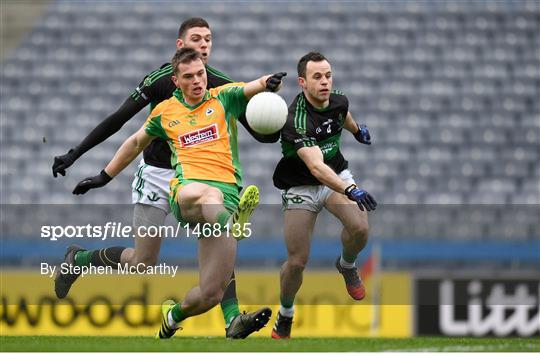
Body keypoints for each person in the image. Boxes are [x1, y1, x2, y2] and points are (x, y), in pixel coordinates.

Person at [52, 17, 278, 339]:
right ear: (180, 46)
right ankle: (80, 258)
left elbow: (255, 117)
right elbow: (121, 124)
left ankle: (230, 319)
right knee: (142, 263)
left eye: (208, 40)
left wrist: (274, 126)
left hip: (207, 179)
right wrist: (84, 160)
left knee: (219, 232)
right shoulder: (163, 82)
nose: (203, 46)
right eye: (196, 40)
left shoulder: (218, 85)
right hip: (160, 177)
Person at [270, 52, 376, 339]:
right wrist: (350, 188)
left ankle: (347, 265)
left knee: (360, 227)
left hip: (335, 176)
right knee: (297, 262)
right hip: (301, 186)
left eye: (328, 75)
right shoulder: (295, 119)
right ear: (303, 82)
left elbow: (343, 114)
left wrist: (357, 130)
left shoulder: (339, 99)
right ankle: (285, 314)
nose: (325, 82)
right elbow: (316, 167)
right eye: (317, 77)